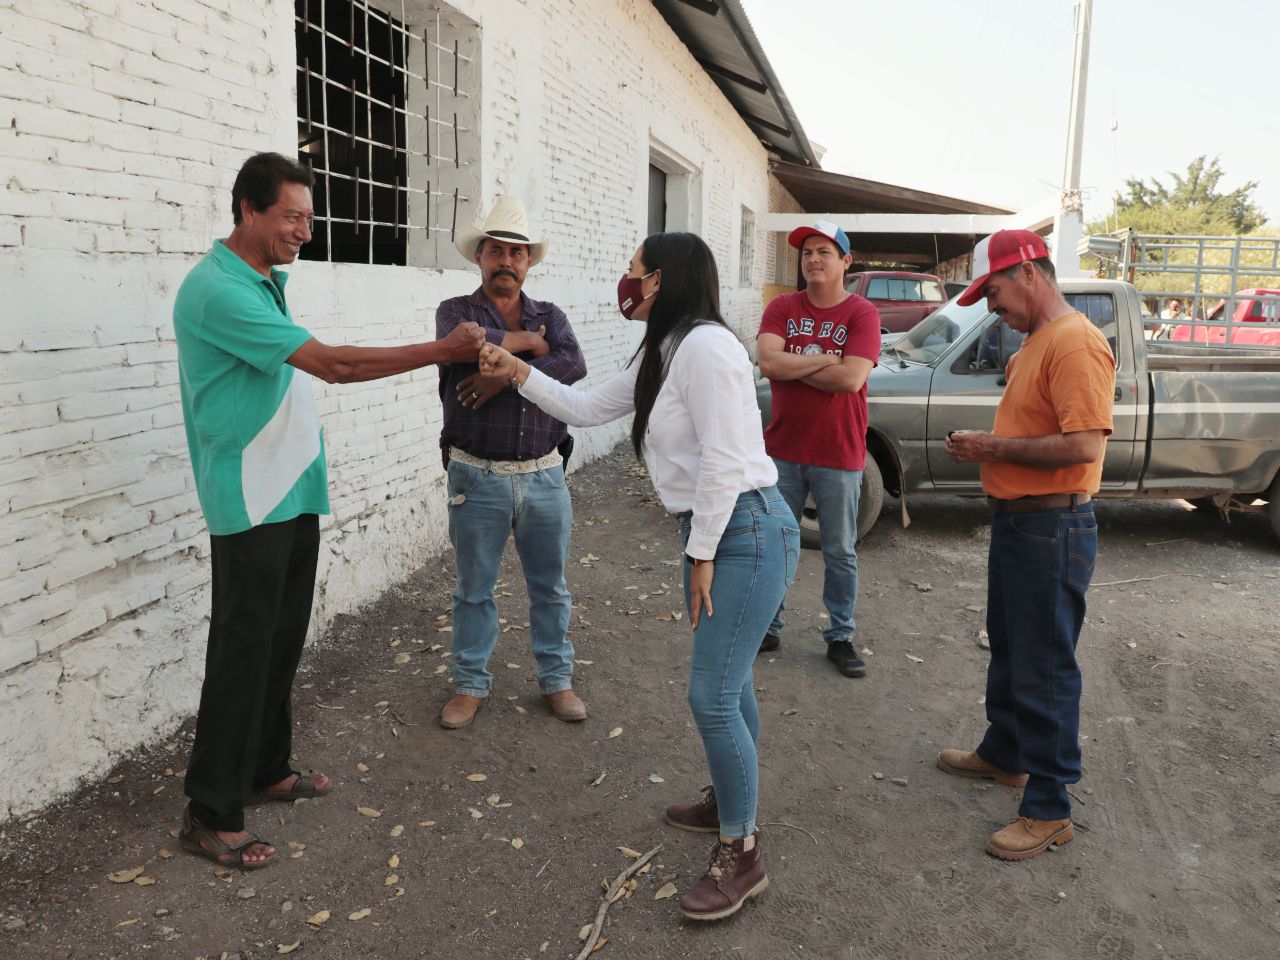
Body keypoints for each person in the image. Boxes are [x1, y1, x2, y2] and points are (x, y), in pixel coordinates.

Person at [172, 152, 485, 869]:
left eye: (309, 219)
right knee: (242, 650)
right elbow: (335, 366)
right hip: (249, 497)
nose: (304, 232)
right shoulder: (218, 289)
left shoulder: (262, 282)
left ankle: (265, 768)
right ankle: (210, 810)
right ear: (247, 209)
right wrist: (443, 350)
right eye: (291, 217)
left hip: (289, 487)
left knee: (281, 639)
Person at [478, 232, 799, 921]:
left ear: (661, 280)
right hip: (719, 530)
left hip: (743, 530)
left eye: (634, 271)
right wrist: (517, 370)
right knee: (731, 683)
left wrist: (703, 552)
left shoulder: (707, 347)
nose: (626, 282)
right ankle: (730, 802)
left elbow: (724, 458)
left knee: (711, 694)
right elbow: (589, 407)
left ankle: (743, 854)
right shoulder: (667, 347)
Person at [939, 229, 1116, 862]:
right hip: (1023, 524)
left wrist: (991, 447)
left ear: (1029, 274)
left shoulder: (1074, 343)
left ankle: (1049, 807)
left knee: (1044, 665)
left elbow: (1084, 445)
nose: (992, 307)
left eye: (993, 292)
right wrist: (994, 448)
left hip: (1051, 528)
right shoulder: (1037, 343)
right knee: (1012, 648)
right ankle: (1006, 752)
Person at [434, 198, 589, 730]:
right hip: (476, 475)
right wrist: (528, 346)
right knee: (473, 590)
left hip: (544, 474)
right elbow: (464, 351)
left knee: (551, 588)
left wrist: (503, 376)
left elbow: (573, 363)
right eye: (496, 251)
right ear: (479, 256)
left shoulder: (553, 316)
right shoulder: (456, 311)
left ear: (528, 262)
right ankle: (469, 684)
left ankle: (557, 680)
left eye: (516, 253)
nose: (506, 261)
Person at [755, 221, 882, 678]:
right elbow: (768, 362)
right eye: (807, 252)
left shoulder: (862, 313)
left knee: (839, 550)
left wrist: (794, 365)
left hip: (838, 452)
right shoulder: (782, 307)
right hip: (783, 450)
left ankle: (840, 636)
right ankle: (768, 626)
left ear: (845, 261)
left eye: (823, 251)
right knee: (777, 544)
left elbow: (851, 378)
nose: (812, 259)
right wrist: (825, 358)